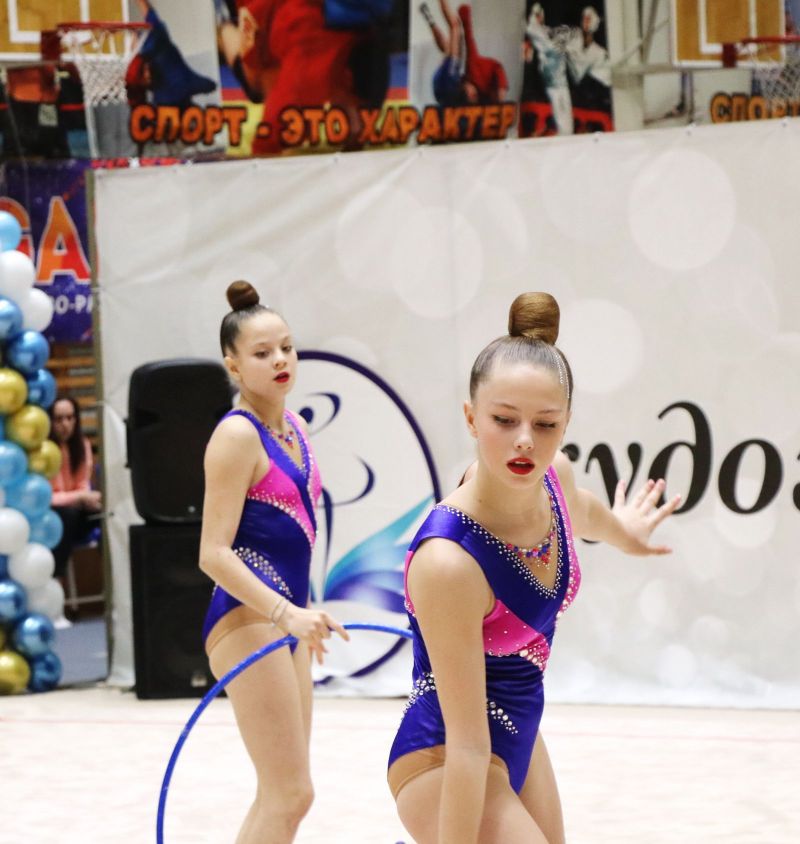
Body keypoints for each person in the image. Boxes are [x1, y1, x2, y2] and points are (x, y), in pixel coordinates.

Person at [387, 292, 681, 843]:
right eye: (504, 419)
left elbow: (585, 512)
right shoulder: (448, 562)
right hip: (446, 758)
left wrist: (627, 534)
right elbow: (468, 744)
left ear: (565, 424)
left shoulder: (554, 480)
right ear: (471, 417)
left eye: (545, 424)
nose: (525, 439)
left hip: (520, 737)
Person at [199, 280, 349, 844]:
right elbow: (212, 553)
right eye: (262, 353)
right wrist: (286, 613)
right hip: (248, 617)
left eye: (286, 347)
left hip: (286, 619)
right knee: (291, 793)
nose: (281, 359)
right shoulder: (237, 436)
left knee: (282, 795)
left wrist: (300, 615)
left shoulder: (297, 430)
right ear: (234, 366)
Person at [49, 396, 102, 580]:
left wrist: (87, 499)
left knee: (106, 513)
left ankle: (114, 572)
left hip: (75, 511)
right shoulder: (43, 451)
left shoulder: (82, 444)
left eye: (70, 418)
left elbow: (82, 485)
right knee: (68, 514)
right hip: (51, 516)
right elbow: (48, 497)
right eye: (58, 419)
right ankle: (57, 576)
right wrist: (79, 497)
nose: (65, 424)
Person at [420, 0, 508, 106]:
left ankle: (435, 11)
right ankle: (429, 19)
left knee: (455, 26)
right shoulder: (466, 85)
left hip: (448, 83)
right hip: (440, 92)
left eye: (474, 93)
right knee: (448, 48)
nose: (475, 89)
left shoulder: (464, 81)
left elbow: (466, 43)